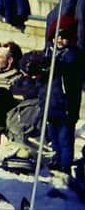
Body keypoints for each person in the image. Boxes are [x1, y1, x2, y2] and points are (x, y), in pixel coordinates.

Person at [40, 21, 83, 173]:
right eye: (57, 36)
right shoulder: (48, 52)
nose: (59, 40)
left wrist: (51, 64)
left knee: (65, 137)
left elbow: (67, 67)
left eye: (64, 37)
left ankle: (65, 164)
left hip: (66, 106)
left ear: (71, 39)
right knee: (53, 136)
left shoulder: (74, 54)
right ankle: (57, 158)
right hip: (50, 104)